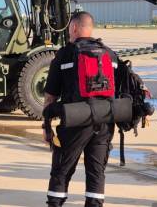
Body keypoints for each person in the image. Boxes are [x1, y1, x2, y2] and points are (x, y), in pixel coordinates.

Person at [43, 11, 117, 207]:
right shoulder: (109, 53)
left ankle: (55, 204)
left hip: (75, 119)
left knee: (62, 169)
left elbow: (51, 94)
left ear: (74, 28)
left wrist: (46, 126)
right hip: (105, 121)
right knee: (96, 171)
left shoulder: (65, 54)